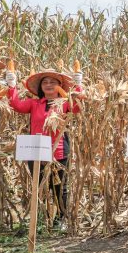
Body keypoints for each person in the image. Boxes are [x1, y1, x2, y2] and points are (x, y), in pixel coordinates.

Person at [6, 66, 83, 228]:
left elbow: (77, 107)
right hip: (36, 150)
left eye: (53, 82)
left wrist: (78, 85)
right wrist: (11, 85)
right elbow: (17, 106)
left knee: (59, 187)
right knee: (40, 186)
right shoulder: (34, 104)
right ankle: (42, 218)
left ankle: (61, 219)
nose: (48, 85)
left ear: (60, 86)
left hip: (60, 149)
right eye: (45, 82)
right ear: (40, 87)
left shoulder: (65, 103)